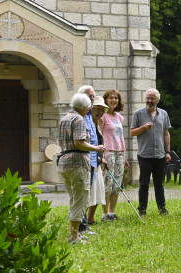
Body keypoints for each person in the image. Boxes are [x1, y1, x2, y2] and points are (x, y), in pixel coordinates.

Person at [58, 93, 105, 244]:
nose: (88, 111)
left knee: (74, 198)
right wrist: (96, 148)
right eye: (88, 108)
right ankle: (73, 237)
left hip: (65, 162)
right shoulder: (79, 118)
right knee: (80, 199)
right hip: (78, 162)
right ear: (84, 107)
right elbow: (79, 142)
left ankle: (76, 233)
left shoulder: (65, 118)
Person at [130, 88, 171, 216]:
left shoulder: (163, 114)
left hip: (159, 154)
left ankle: (162, 208)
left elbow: (166, 133)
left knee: (159, 184)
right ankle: (142, 209)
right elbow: (132, 132)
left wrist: (168, 152)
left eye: (152, 98)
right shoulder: (138, 113)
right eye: (148, 98)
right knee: (144, 184)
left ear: (157, 100)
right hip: (144, 155)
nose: (149, 100)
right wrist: (143, 127)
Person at [100, 89, 129, 221]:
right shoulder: (103, 117)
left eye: (116, 98)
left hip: (119, 152)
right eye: (111, 98)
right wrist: (100, 155)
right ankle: (105, 214)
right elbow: (99, 136)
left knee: (117, 183)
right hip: (108, 152)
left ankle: (112, 212)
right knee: (108, 182)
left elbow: (120, 137)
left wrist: (125, 155)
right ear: (106, 100)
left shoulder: (118, 117)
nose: (114, 100)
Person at [77, 85, 98, 234]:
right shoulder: (80, 115)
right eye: (90, 96)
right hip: (83, 159)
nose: (92, 98)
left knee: (87, 194)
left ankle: (83, 224)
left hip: (92, 160)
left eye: (93, 96)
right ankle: (82, 226)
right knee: (82, 194)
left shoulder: (89, 114)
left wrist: (98, 156)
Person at [87, 96, 109, 224]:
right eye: (98, 109)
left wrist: (101, 159)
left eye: (102, 110)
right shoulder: (88, 122)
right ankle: (84, 220)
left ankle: (90, 218)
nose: (100, 112)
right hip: (89, 162)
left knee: (98, 190)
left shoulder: (96, 124)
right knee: (89, 192)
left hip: (96, 161)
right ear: (92, 109)